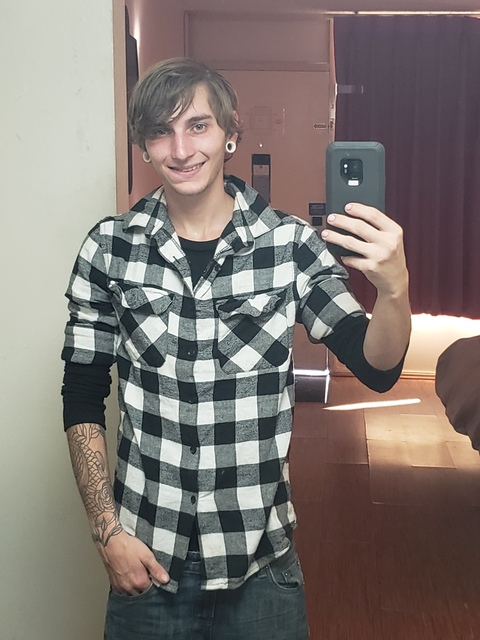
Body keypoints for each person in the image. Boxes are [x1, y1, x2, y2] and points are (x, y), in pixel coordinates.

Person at [61, 57, 411, 640]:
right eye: (160, 132)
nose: (181, 149)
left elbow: (376, 367)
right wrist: (107, 530)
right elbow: (81, 396)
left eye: (197, 125)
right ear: (143, 147)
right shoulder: (109, 249)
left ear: (230, 131)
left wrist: (395, 290)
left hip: (261, 570)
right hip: (147, 562)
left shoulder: (289, 245)